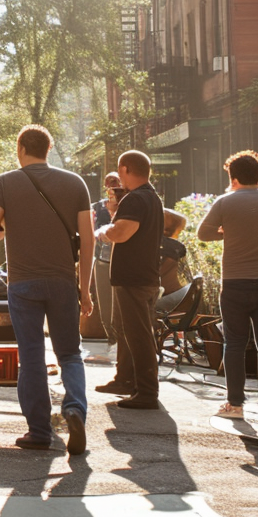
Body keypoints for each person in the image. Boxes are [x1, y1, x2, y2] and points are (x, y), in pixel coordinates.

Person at [0, 125, 94, 454]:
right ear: (48, 149)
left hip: (23, 283)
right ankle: (74, 410)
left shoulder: (5, 182)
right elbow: (88, 240)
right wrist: (84, 289)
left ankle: (39, 431)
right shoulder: (76, 183)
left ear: (20, 149)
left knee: (31, 356)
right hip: (62, 282)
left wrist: (8, 228)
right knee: (69, 353)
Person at [196, 151, 258, 422]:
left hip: (234, 283)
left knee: (234, 343)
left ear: (233, 177)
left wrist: (228, 231)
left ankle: (235, 405)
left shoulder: (224, 202)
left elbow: (203, 233)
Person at [95, 150, 164, 410]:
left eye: (119, 170)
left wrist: (103, 231)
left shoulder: (135, 198)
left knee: (138, 334)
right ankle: (125, 379)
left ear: (125, 169)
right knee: (127, 330)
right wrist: (116, 211)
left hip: (134, 278)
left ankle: (146, 392)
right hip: (142, 275)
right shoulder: (151, 197)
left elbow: (122, 232)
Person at [90, 174, 124, 344]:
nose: (112, 189)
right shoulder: (96, 207)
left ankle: (120, 337)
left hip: (123, 260)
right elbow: (90, 231)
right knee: (105, 302)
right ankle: (111, 335)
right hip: (102, 260)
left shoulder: (128, 206)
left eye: (116, 185)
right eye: (109, 185)